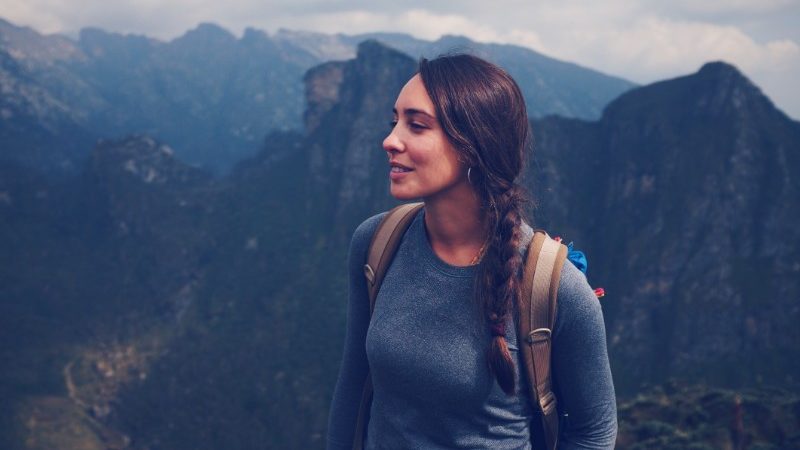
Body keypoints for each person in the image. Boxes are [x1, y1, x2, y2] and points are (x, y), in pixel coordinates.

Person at [326, 53, 617, 449]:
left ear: (472, 145)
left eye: (417, 125)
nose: (391, 140)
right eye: (394, 122)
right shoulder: (377, 242)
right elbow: (352, 385)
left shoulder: (556, 288)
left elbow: (594, 433)